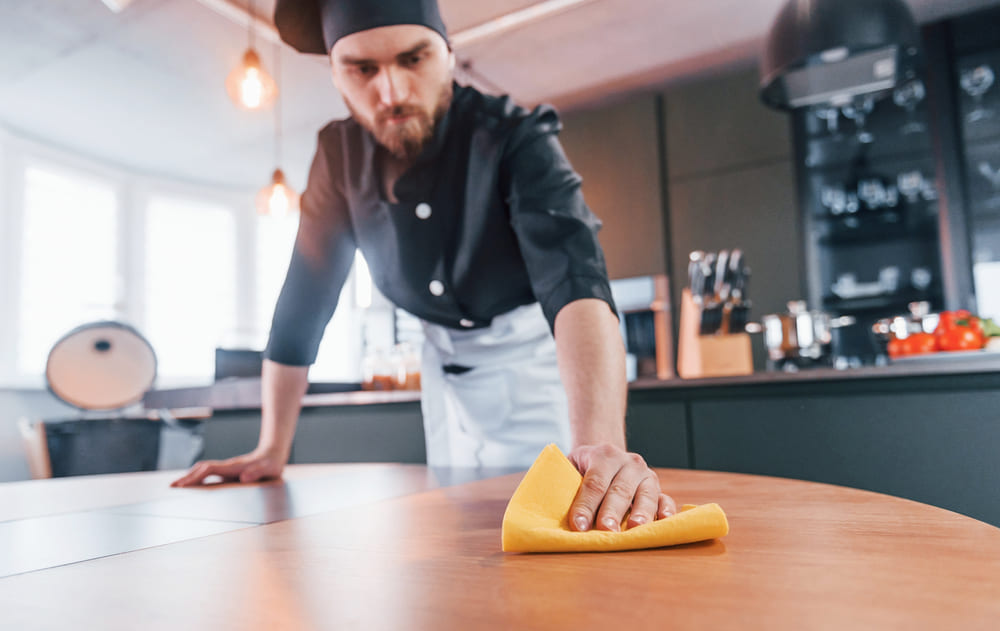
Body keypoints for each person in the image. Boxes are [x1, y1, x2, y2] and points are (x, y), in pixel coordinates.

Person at [172, 0, 676, 533]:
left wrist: (600, 446)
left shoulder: (515, 137)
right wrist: (271, 447)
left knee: (560, 529)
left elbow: (576, 281)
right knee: (460, 529)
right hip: (441, 369)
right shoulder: (338, 155)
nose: (391, 93)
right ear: (335, 74)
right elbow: (303, 304)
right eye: (362, 69)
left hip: (534, 364)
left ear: (449, 54)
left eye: (413, 59)